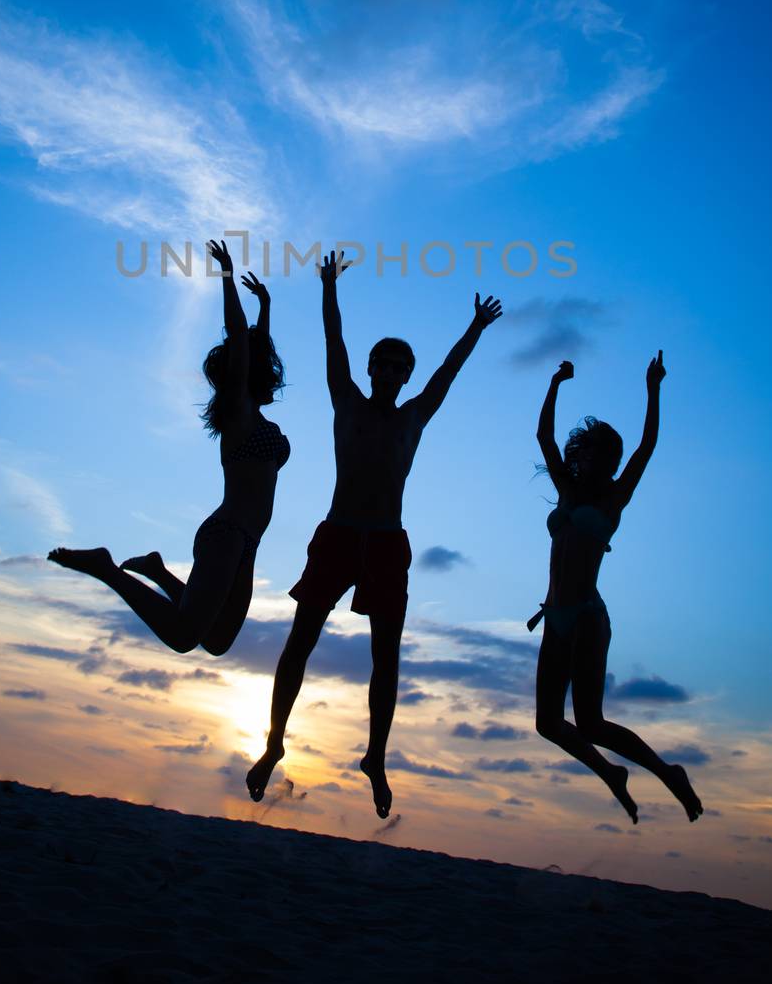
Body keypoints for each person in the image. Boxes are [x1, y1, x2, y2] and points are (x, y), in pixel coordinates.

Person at [246, 249, 502, 817]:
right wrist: (329, 287)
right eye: (379, 365)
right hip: (337, 534)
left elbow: (447, 375)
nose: (386, 373)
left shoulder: (413, 415)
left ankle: (375, 758)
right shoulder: (347, 401)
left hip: (386, 542)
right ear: (370, 371)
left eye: (396, 368)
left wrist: (475, 328)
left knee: (386, 659)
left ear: (404, 375)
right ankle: (272, 744)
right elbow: (332, 344)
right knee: (299, 644)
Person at [48, 239, 288, 656]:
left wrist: (266, 306)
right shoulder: (238, 412)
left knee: (215, 642)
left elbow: (257, 346)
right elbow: (239, 336)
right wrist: (227, 276)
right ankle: (107, 569)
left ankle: (157, 570)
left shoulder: (256, 416)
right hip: (226, 533)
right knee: (182, 636)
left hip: (248, 541)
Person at [530, 353, 703, 823]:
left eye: (610, 458)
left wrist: (653, 388)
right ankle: (611, 773)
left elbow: (648, 445)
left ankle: (670, 774)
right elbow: (544, 436)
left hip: (586, 615)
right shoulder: (566, 489)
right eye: (593, 453)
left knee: (591, 721)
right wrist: (555, 383)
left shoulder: (613, 498)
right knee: (548, 722)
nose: (601, 462)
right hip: (555, 615)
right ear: (581, 454)